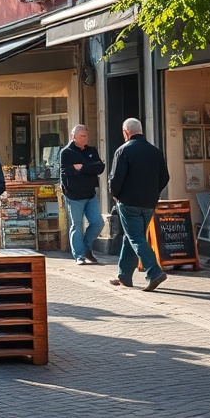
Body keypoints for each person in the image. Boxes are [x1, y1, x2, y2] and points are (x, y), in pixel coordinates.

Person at [108, 118, 170, 292]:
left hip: (129, 202)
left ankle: (154, 271)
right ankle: (124, 275)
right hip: (149, 202)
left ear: (126, 132)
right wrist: (153, 192)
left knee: (135, 238)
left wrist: (117, 196)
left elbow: (115, 180)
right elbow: (164, 177)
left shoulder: (123, 151)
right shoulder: (155, 151)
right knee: (133, 237)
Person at [60, 124, 106, 265]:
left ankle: (86, 248)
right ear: (73, 137)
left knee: (98, 223)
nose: (85, 138)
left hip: (90, 193)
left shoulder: (91, 150)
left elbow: (100, 167)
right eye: (82, 136)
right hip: (74, 195)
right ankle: (79, 255)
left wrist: (82, 167)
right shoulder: (66, 152)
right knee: (77, 225)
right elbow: (65, 172)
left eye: (86, 135)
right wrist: (79, 168)